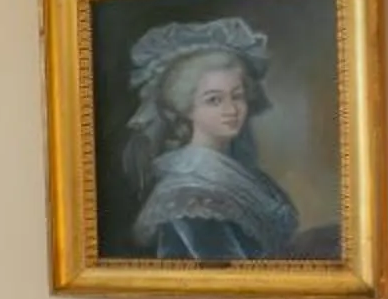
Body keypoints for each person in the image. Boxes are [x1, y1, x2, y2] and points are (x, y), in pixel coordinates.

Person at [120, 17, 314, 260]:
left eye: (237, 96)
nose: (231, 109)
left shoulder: (244, 172)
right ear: (186, 107)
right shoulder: (186, 196)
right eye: (214, 100)